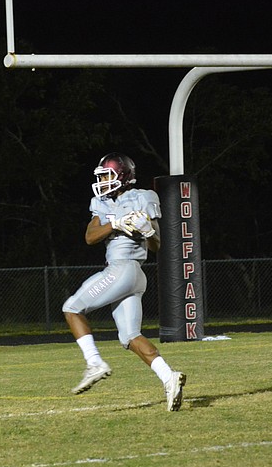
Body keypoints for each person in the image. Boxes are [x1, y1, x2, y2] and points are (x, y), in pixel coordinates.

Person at [62, 153, 186, 411]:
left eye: (106, 176)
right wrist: (115, 224)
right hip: (130, 275)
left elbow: (156, 245)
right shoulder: (102, 202)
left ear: (122, 175)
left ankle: (94, 362)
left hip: (125, 269)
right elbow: (90, 236)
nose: (102, 182)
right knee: (130, 336)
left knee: (72, 308)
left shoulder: (143, 197)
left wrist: (148, 230)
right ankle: (169, 377)